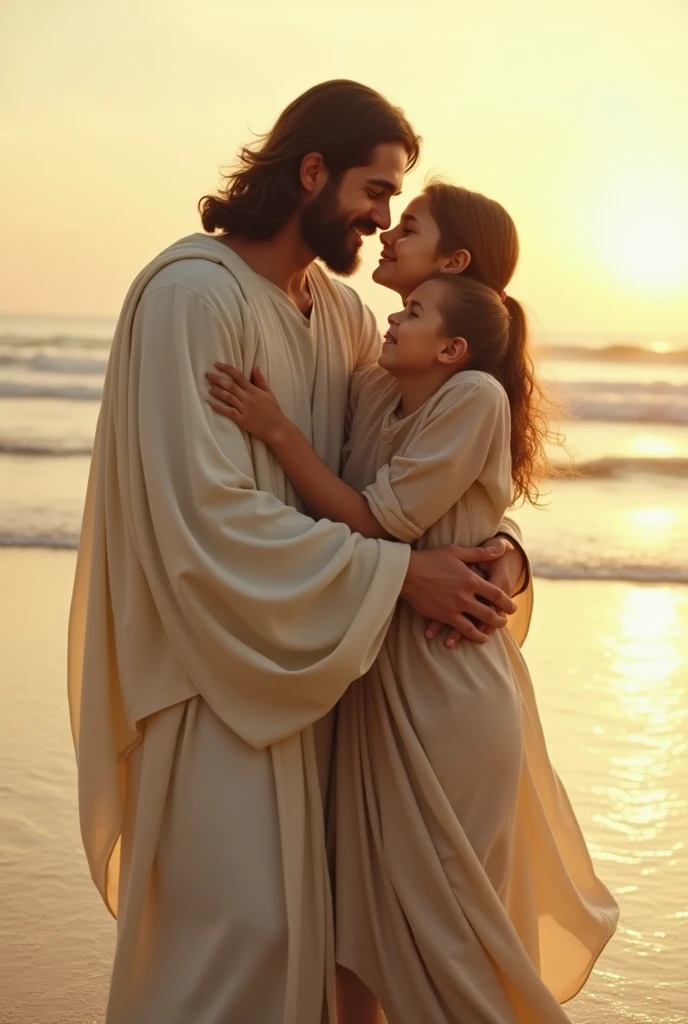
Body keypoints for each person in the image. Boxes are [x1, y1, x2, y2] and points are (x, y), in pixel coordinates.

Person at [67, 84, 531, 1024]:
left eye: (397, 201)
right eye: (376, 188)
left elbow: (414, 474)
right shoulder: (192, 297)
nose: (383, 218)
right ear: (311, 171)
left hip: (325, 677)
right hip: (215, 681)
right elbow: (202, 520)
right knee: (240, 944)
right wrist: (401, 579)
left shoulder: (342, 318)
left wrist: (505, 554)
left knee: (333, 956)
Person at [206, 184, 619, 1024]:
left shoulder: (469, 391)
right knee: (356, 925)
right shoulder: (368, 369)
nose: (388, 230)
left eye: (412, 223)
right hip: (373, 672)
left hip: (441, 683)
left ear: (455, 274)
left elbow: (390, 515)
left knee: (444, 941)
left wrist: (499, 556)